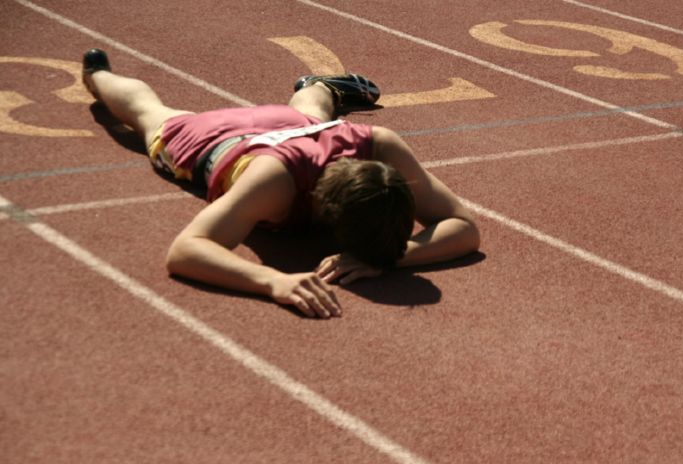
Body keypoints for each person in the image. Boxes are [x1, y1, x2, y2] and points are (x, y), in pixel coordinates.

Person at [82, 49, 480, 318]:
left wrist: (392, 256)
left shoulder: (379, 144)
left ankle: (320, 88)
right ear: (326, 213)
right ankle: (98, 75)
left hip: (297, 125)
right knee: (149, 114)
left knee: (309, 113)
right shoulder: (274, 183)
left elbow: (465, 228)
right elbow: (186, 251)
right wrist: (272, 281)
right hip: (215, 138)